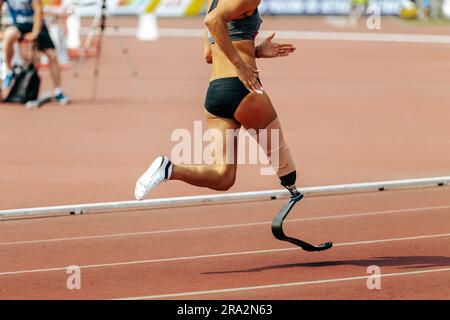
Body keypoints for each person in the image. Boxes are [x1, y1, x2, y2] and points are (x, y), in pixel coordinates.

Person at [135, 0, 300, 201]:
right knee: (278, 151)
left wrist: (256, 51)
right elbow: (213, 21)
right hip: (243, 88)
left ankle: (168, 169)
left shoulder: (212, 2)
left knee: (223, 177)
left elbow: (209, 55)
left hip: (216, 94)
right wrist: (241, 65)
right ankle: (294, 191)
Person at [0, 0, 70, 104]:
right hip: (19, 25)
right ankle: (9, 71)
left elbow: (38, 10)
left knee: (52, 55)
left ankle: (58, 91)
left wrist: (35, 32)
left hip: (38, 25)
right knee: (8, 36)